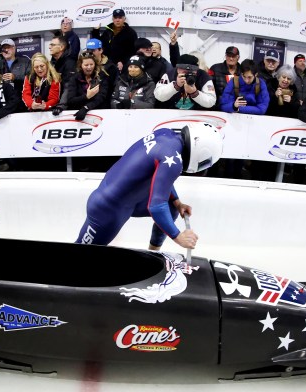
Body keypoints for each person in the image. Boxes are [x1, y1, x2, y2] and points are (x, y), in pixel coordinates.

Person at [75, 123, 223, 251]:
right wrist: (178, 237)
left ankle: (154, 253)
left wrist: (177, 202)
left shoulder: (166, 134)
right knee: (81, 255)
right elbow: (156, 206)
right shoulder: (174, 162)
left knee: (172, 208)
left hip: (124, 200)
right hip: (108, 209)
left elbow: (161, 180)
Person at [61, 52, 109, 120]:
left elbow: (101, 98)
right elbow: (71, 100)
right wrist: (86, 96)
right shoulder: (74, 78)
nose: (89, 67)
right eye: (86, 65)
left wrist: (86, 108)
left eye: (91, 64)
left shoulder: (101, 77)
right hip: (76, 113)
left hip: (97, 114)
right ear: (81, 65)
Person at [90, 8, 138, 73]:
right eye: (115, 18)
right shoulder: (108, 31)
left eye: (120, 18)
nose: (117, 20)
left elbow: (133, 51)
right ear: (113, 19)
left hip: (122, 66)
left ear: (124, 19)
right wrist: (95, 31)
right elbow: (99, 44)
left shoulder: (131, 33)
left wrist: (123, 62)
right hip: (107, 65)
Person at [0, 39, 30, 105]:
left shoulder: (25, 62)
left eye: (8, 47)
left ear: (14, 48)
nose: (6, 50)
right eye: (4, 48)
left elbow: (31, 78)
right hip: (4, 102)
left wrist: (15, 77)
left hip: (22, 101)